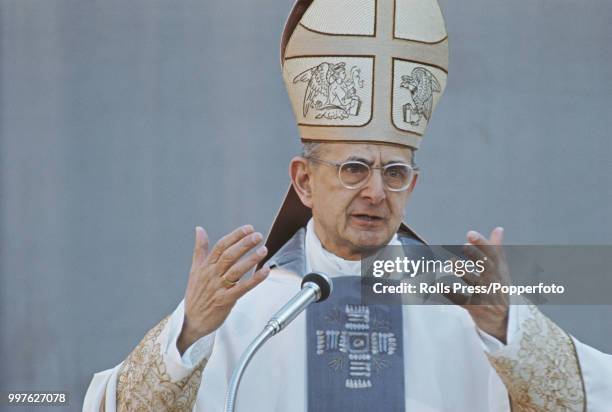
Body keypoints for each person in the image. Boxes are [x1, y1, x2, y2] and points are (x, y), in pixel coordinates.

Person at [84, 0, 612, 411]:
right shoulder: (244, 308)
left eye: (396, 173)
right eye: (354, 169)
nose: (376, 193)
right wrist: (192, 331)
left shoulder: (465, 309)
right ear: (304, 181)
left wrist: (509, 331)